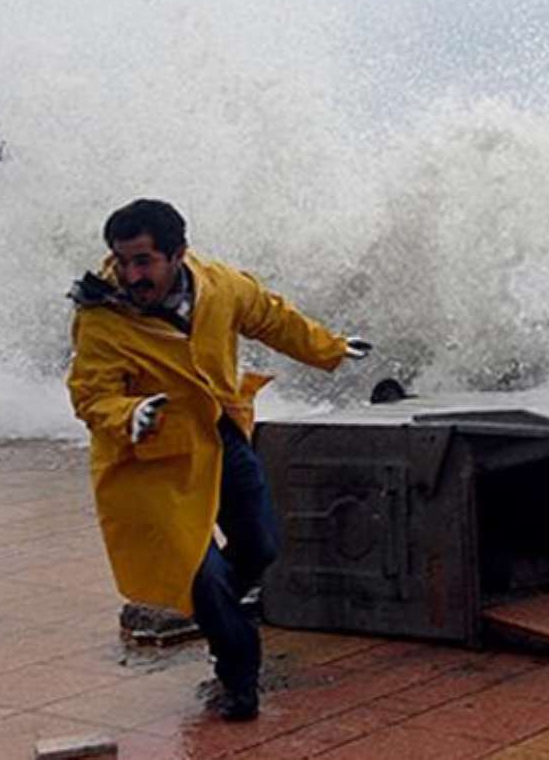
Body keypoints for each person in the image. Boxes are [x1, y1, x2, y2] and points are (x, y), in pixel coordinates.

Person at [65, 198, 370, 721]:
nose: (130, 274)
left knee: (261, 545)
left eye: (144, 261)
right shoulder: (101, 318)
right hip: (151, 459)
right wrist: (129, 412)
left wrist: (330, 349)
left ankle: (216, 610)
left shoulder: (220, 286)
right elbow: (91, 395)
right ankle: (237, 677)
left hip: (220, 434)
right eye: (122, 260)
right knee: (201, 574)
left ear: (178, 253)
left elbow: (272, 318)